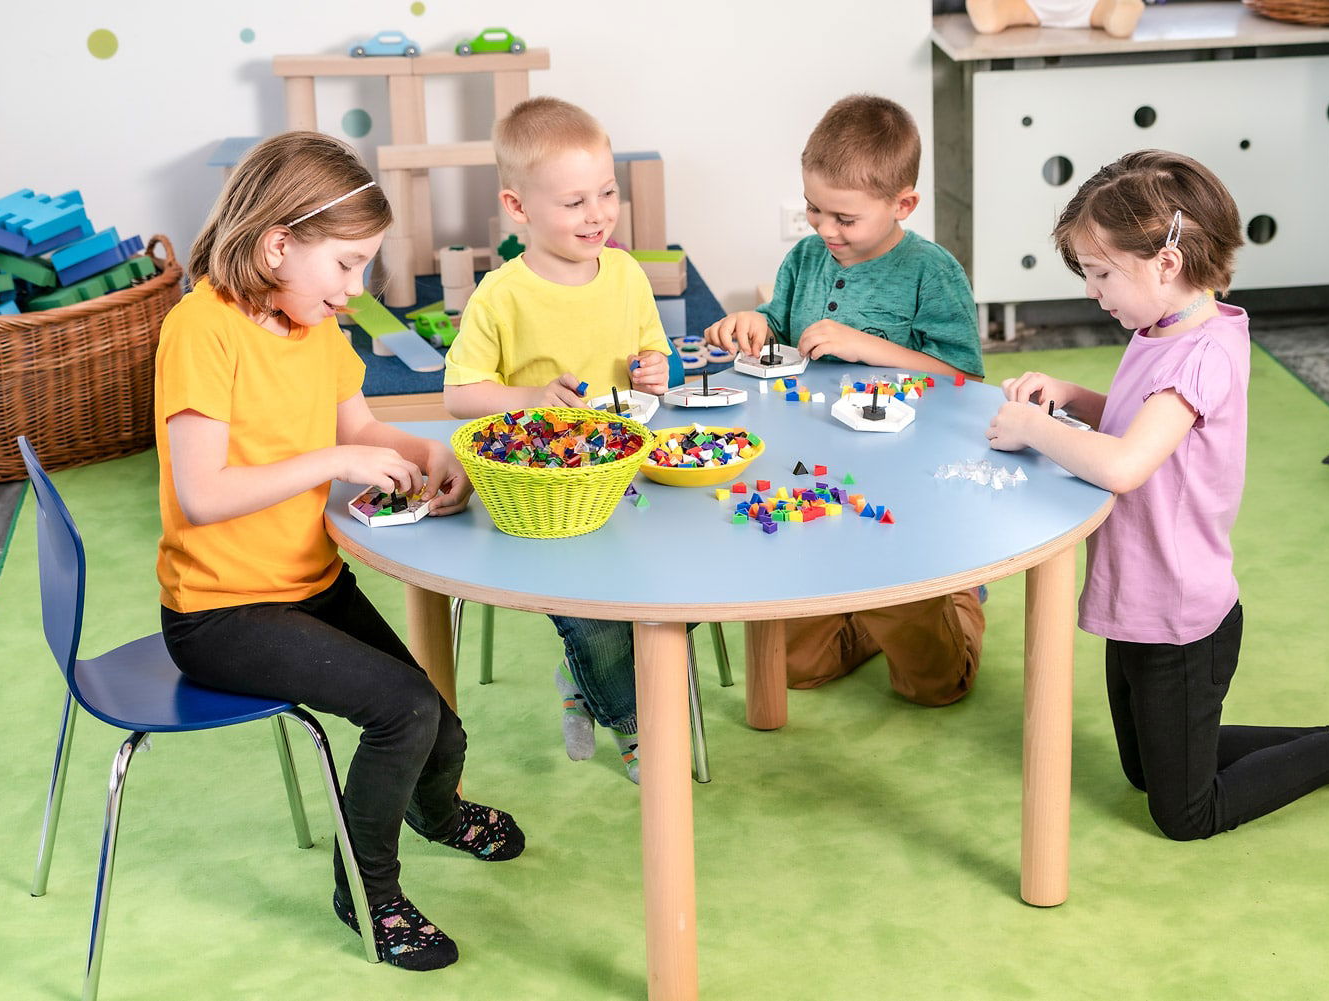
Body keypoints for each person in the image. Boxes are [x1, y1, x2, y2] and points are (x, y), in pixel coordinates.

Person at [986, 149, 1329, 839]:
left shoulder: (1200, 355)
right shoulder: (1163, 327)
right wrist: (1071, 397)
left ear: (1165, 264)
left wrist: (1033, 426)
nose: (1091, 291)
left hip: (1180, 615)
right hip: (1138, 596)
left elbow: (1126, 464)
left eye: (1101, 273)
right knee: (1145, 770)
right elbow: (1138, 423)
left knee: (1185, 813)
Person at [156, 132, 524, 972]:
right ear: (277, 245)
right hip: (218, 613)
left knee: (438, 722)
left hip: (307, 583)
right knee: (405, 711)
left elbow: (359, 426)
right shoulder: (200, 329)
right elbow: (203, 494)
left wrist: (429, 452)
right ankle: (368, 893)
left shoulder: (314, 323)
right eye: (348, 263)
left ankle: (437, 811)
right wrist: (335, 460)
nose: (357, 287)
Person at [704, 93, 987, 709]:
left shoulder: (932, 272)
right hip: (816, 478)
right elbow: (779, 327)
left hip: (903, 488)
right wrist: (754, 323)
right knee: (792, 668)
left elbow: (966, 379)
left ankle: (956, 593)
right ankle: (873, 602)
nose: (825, 229)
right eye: (813, 208)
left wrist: (867, 347)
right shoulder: (806, 258)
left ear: (902, 204)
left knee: (933, 686)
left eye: (845, 218)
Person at [443, 97, 672, 783]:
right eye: (574, 202)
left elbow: (654, 357)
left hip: (622, 478)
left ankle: (580, 682)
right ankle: (630, 725)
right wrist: (529, 398)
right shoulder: (501, 295)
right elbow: (460, 394)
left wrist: (655, 370)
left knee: (682, 589)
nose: (597, 214)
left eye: (607, 193)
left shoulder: (627, 274)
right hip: (542, 495)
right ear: (518, 207)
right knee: (596, 621)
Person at [965, 0, 1144, 39]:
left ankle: (1123, 12)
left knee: (1117, 14)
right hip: (1030, 6)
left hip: (1093, 5)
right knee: (990, 19)